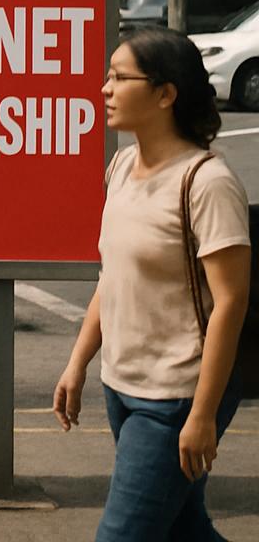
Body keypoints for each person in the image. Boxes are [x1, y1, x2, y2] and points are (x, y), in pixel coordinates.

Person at [54, 27, 251, 541]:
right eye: (108, 76)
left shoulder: (206, 183)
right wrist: (78, 362)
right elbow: (112, 278)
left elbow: (231, 302)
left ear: (165, 94)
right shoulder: (121, 167)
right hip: (121, 387)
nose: (106, 89)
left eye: (121, 78)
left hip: (176, 395)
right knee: (184, 529)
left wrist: (203, 414)